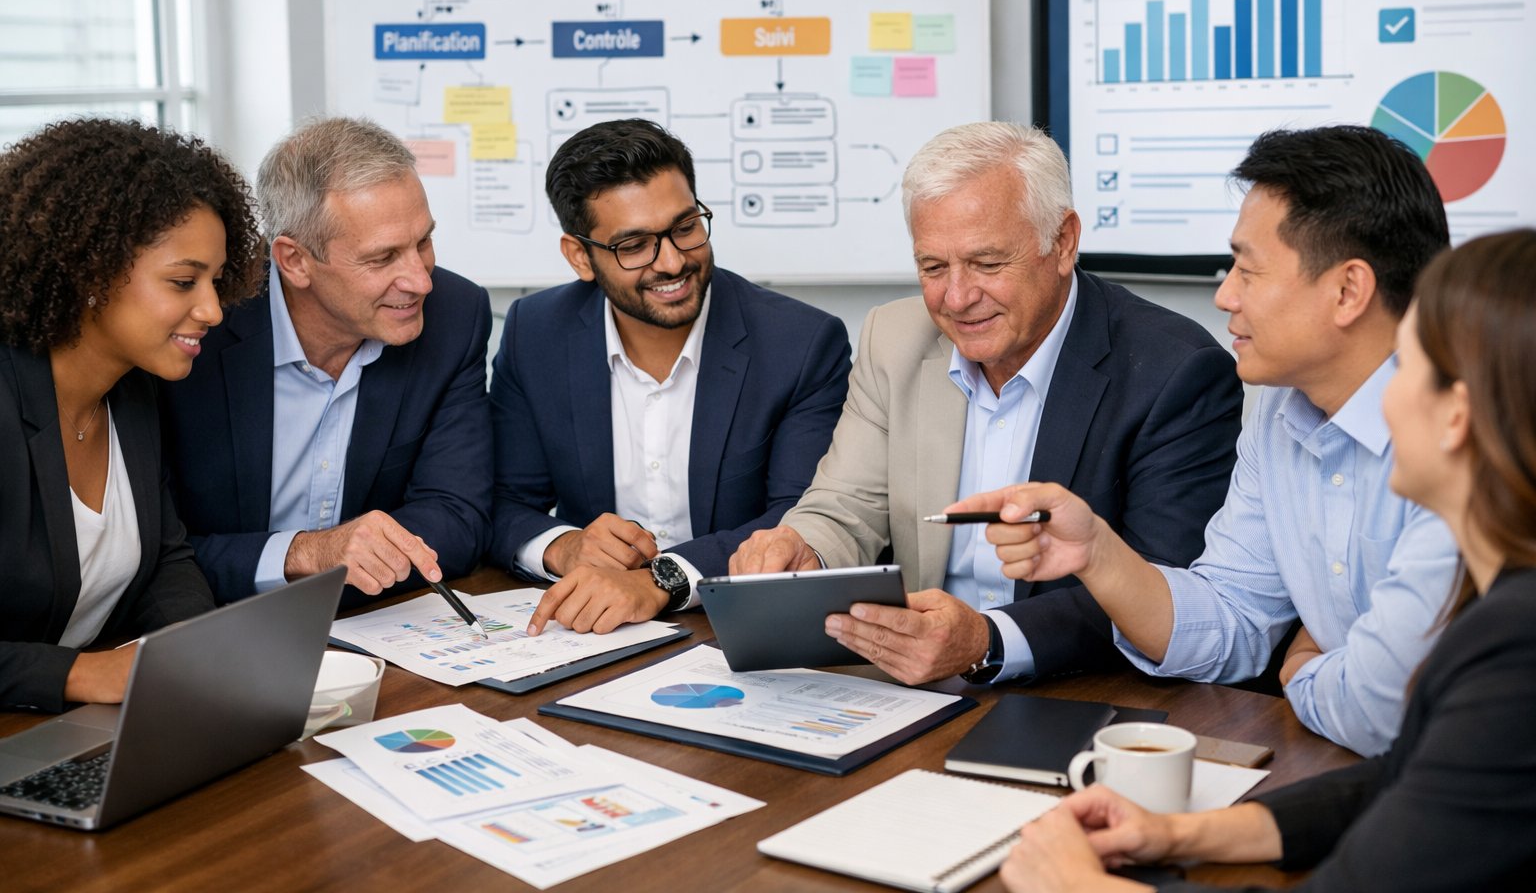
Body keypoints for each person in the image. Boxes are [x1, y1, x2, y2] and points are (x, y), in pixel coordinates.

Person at [998, 229, 1536, 892]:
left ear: (1456, 415)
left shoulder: (1516, 646)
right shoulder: (1507, 610)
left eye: (1410, 361)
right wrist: (1180, 833)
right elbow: (1406, 778)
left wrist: (1082, 887)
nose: (1384, 392)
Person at [952, 126, 1458, 755]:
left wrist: (1300, 667)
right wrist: (1097, 553)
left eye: (1248, 270)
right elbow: (1232, 620)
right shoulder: (1279, 409)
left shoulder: (1464, 429)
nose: (1225, 296)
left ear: (1348, 290)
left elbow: (1385, 712)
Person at [728, 121, 1243, 685]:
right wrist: (803, 549)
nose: (957, 298)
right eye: (933, 267)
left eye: (987, 264)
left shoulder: (1175, 370)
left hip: (1082, 687)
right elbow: (846, 505)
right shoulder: (892, 338)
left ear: (1064, 241)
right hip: (916, 683)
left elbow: (1163, 592)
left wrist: (988, 640)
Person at [487, 118, 851, 634]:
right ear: (580, 257)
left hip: (738, 626)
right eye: (634, 246)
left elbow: (803, 517)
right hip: (591, 630)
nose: (674, 261)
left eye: (685, 227)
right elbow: (500, 500)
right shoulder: (536, 332)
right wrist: (565, 547)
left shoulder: (801, 343)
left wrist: (662, 580)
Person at [160, 117, 492, 607]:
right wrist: (303, 554)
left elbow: (458, 517)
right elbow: (155, 555)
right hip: (209, 624)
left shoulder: (454, 315)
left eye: (422, 242)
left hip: (372, 628)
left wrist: (353, 566)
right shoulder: (193, 333)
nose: (420, 280)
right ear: (294, 261)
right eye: (383, 259)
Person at [1, 118, 264, 712]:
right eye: (183, 281)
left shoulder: (133, 390)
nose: (214, 310)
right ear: (88, 272)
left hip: (80, 731)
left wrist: (189, 647)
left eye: (216, 281)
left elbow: (166, 558)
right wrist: (81, 675)